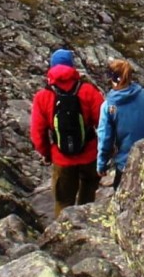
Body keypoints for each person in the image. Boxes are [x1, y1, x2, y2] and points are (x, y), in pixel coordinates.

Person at [30, 49, 105, 217]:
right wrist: (104, 148)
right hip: (89, 155)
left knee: (63, 201)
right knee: (89, 193)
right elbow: (103, 121)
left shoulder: (43, 97)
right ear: (72, 67)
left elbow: (37, 132)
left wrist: (47, 154)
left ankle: (64, 234)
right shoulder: (87, 91)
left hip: (62, 158)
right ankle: (87, 228)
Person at [96, 58, 144, 187]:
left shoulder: (107, 106)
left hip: (125, 163)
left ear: (112, 79)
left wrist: (101, 164)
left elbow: (105, 139)